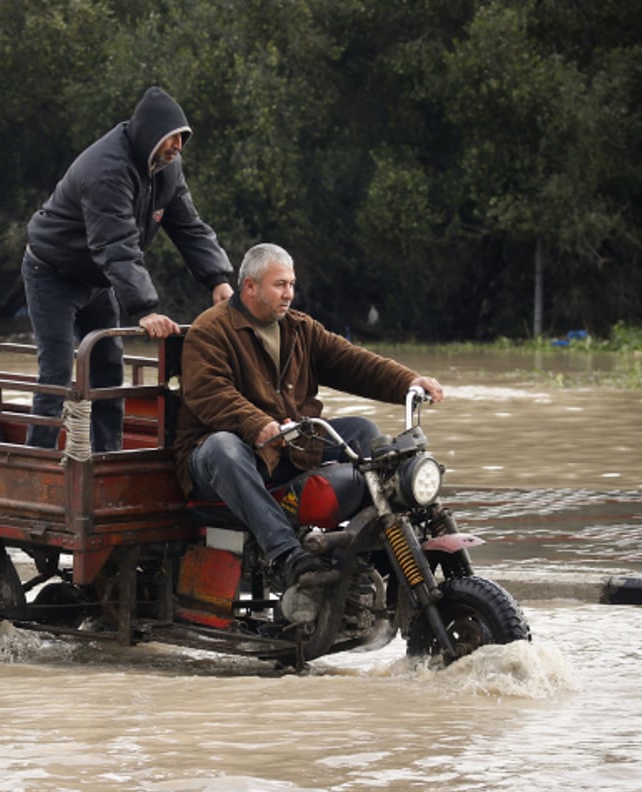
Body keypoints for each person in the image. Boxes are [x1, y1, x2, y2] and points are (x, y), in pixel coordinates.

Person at [174, 243, 445, 588]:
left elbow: (352, 362)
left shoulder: (300, 329)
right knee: (223, 447)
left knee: (362, 430)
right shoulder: (210, 330)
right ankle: (287, 555)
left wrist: (408, 380)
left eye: (291, 284)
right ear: (250, 286)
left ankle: (374, 547)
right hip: (222, 458)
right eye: (279, 285)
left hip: (288, 444)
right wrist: (258, 425)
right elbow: (210, 392)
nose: (289, 294)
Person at [22, 86, 234, 451]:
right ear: (150, 134)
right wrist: (145, 309)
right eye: (172, 138)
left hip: (98, 279)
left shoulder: (166, 168)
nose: (178, 146)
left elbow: (188, 225)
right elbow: (116, 245)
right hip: (51, 273)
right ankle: (34, 464)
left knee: (109, 370)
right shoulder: (106, 170)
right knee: (56, 373)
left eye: (183, 138)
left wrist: (218, 279)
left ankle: (108, 460)